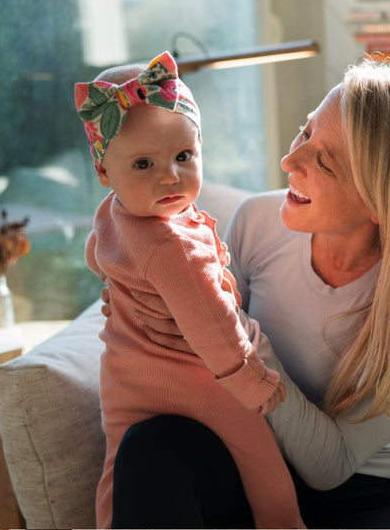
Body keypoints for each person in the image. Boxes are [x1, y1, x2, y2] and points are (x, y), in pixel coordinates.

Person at [108, 59, 390, 528]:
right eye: (305, 133)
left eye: (323, 162)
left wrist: (237, 337)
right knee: (151, 447)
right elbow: (192, 343)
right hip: (252, 465)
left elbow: (330, 467)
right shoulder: (256, 222)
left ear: (382, 201)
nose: (288, 162)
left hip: (369, 497)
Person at [77, 51, 304, 529]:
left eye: (183, 157)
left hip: (125, 373)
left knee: (119, 462)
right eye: (143, 164)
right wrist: (251, 381)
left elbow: (96, 253)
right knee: (259, 453)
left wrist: (117, 284)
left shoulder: (114, 211)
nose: (170, 177)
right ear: (105, 172)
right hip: (188, 373)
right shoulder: (170, 246)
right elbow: (211, 322)